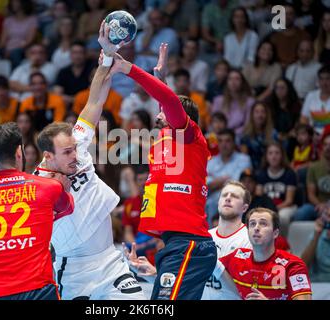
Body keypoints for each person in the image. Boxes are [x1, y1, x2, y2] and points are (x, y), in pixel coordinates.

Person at [103, 32, 217, 299]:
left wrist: (128, 69)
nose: (157, 115)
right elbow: (165, 100)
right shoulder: (165, 138)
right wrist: (160, 78)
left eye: (163, 112)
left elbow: (169, 102)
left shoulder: (191, 137)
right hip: (171, 244)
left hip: (190, 244)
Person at [35, 46, 145, 299]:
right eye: (67, 153)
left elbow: (94, 100)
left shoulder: (79, 145)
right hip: (74, 271)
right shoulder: (37, 185)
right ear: (48, 157)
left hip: (111, 260)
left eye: (74, 150)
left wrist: (106, 58)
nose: (75, 156)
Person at [0, 122, 74, 300]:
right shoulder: (49, 188)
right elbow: (67, 208)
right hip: (38, 291)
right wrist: (64, 189)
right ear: (19, 152)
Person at [214, 207, 312, 300]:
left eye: (263, 224)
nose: (256, 228)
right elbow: (212, 265)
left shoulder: (293, 265)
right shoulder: (237, 257)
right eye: (252, 224)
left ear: (275, 233)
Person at [201, 181, 252, 300]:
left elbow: (244, 291)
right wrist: (154, 275)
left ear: (244, 207)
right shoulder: (204, 237)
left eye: (234, 196)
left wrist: (216, 264)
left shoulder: (250, 239)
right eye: (224, 195)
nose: (228, 198)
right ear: (218, 202)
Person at [206, 128, 252, 222]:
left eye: (228, 141)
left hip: (235, 198)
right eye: (220, 141)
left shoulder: (244, 159)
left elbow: (238, 184)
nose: (224, 144)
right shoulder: (211, 162)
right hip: (211, 200)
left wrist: (216, 182)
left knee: (216, 202)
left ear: (234, 143)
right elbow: (204, 183)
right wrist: (223, 180)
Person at [256, 142, 298, 237]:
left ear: (282, 156)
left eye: (277, 153)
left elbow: (289, 200)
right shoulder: (261, 174)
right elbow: (259, 198)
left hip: (286, 207)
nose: (273, 156)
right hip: (267, 207)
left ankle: (283, 242)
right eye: (270, 153)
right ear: (266, 156)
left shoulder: (289, 174)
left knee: (282, 217)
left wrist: (273, 209)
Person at [294, 133, 330, 222]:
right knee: (301, 213)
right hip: (319, 206)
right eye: (325, 144)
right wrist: (320, 205)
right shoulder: (314, 167)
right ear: (322, 147)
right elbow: (311, 194)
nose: (328, 147)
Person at [211, 70, 255, 137]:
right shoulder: (218, 100)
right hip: (219, 135)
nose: (233, 82)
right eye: (230, 79)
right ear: (227, 82)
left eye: (237, 79)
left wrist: (231, 134)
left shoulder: (250, 102)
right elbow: (214, 123)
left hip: (240, 136)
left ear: (242, 82)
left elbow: (248, 125)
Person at [301, 209, 330, 282]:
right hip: (318, 282)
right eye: (328, 215)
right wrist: (316, 234)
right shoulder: (316, 236)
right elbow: (303, 265)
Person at [300, 65, 330, 135]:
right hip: (312, 135)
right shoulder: (311, 96)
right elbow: (303, 119)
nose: (324, 82)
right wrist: (310, 134)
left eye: (328, 79)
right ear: (318, 81)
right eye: (321, 79)